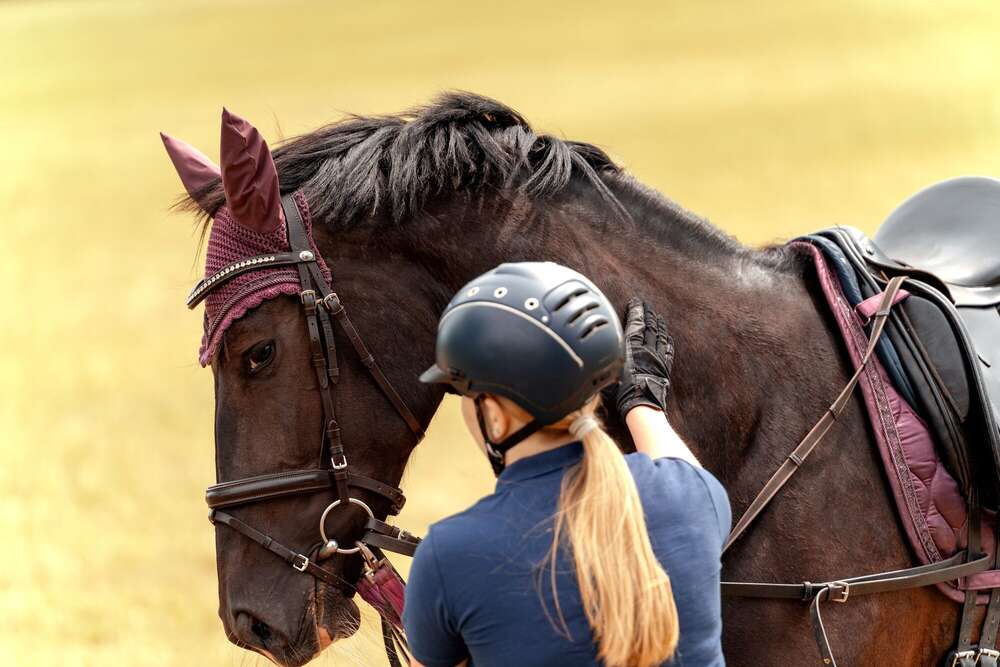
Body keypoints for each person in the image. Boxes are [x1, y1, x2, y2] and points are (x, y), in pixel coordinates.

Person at [405, 262, 730, 667]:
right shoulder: (692, 496)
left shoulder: (449, 554)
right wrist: (642, 400)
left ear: (495, 417)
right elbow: (680, 469)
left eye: (463, 393)